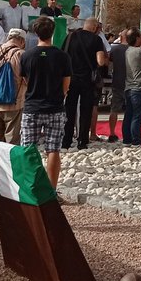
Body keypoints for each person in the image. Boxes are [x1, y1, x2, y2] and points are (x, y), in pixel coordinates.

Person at [20, 16, 72, 186]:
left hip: (32, 107)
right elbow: (66, 85)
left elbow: (26, 81)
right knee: (53, 150)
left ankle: (30, 186)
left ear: (36, 32)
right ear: (53, 32)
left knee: (28, 149)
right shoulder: (62, 56)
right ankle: (51, 189)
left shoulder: (26, 55)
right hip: (55, 107)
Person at [62, 19, 108, 149]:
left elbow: (63, 55)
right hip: (87, 79)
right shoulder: (96, 40)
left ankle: (67, 140)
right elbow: (100, 61)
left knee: (69, 109)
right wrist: (105, 58)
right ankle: (83, 140)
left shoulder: (70, 36)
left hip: (71, 78)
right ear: (94, 27)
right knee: (86, 110)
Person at [0, 29, 26, 145]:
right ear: (22, 41)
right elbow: (28, 81)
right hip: (14, 105)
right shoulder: (22, 55)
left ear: (8, 37)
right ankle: (8, 163)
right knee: (12, 143)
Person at [106, 31, 129, 142]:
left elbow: (108, 61)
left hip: (117, 82)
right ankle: (127, 133)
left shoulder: (114, 49)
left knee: (114, 109)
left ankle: (111, 133)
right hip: (129, 83)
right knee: (130, 110)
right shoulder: (132, 49)